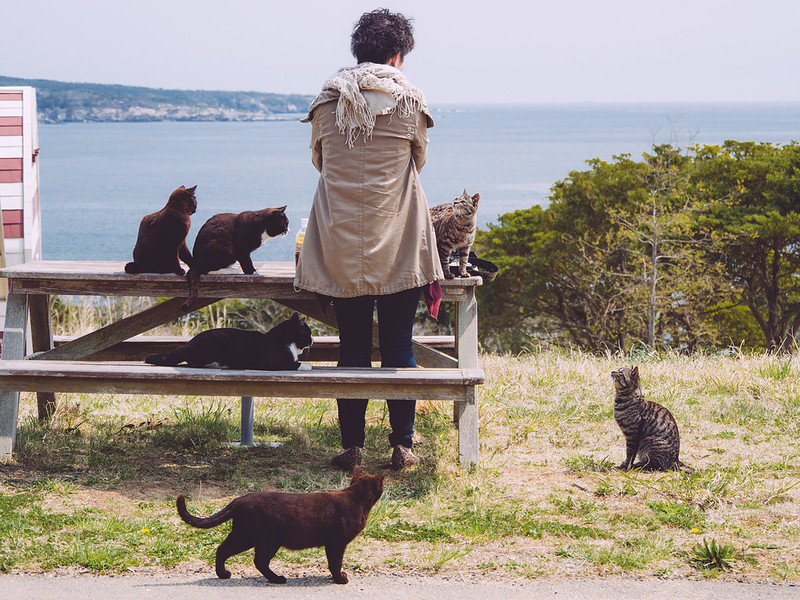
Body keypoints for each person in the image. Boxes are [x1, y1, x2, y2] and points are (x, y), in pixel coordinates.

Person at [294, 8, 443, 471]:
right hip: (399, 239)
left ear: (357, 51)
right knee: (399, 345)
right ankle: (402, 444)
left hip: (340, 242)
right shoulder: (410, 103)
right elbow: (417, 160)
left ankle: (352, 448)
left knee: (352, 347)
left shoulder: (325, 104)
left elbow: (320, 162)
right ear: (397, 55)